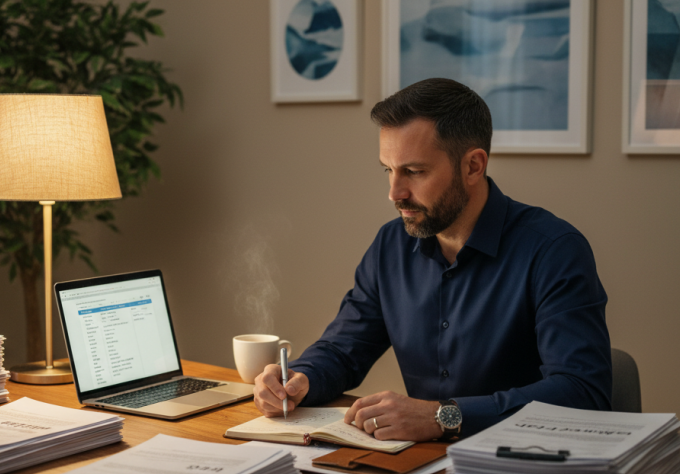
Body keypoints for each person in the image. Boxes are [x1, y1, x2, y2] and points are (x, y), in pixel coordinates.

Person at [253, 78, 611, 441]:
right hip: (418, 467)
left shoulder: (553, 250)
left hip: (524, 466)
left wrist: (445, 417)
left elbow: (582, 393)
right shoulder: (390, 245)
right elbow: (343, 350)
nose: (395, 193)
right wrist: (299, 379)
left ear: (473, 166)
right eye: (388, 170)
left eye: (414, 171)